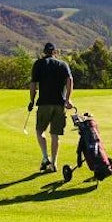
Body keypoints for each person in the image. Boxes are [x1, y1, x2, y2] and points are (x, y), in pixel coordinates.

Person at [28, 42, 74, 173]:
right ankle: (53, 163)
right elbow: (70, 80)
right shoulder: (62, 64)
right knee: (55, 135)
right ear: (55, 52)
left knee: (39, 131)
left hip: (44, 103)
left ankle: (45, 157)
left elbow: (33, 85)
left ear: (44, 52)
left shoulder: (38, 64)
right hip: (59, 104)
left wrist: (32, 101)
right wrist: (68, 99)